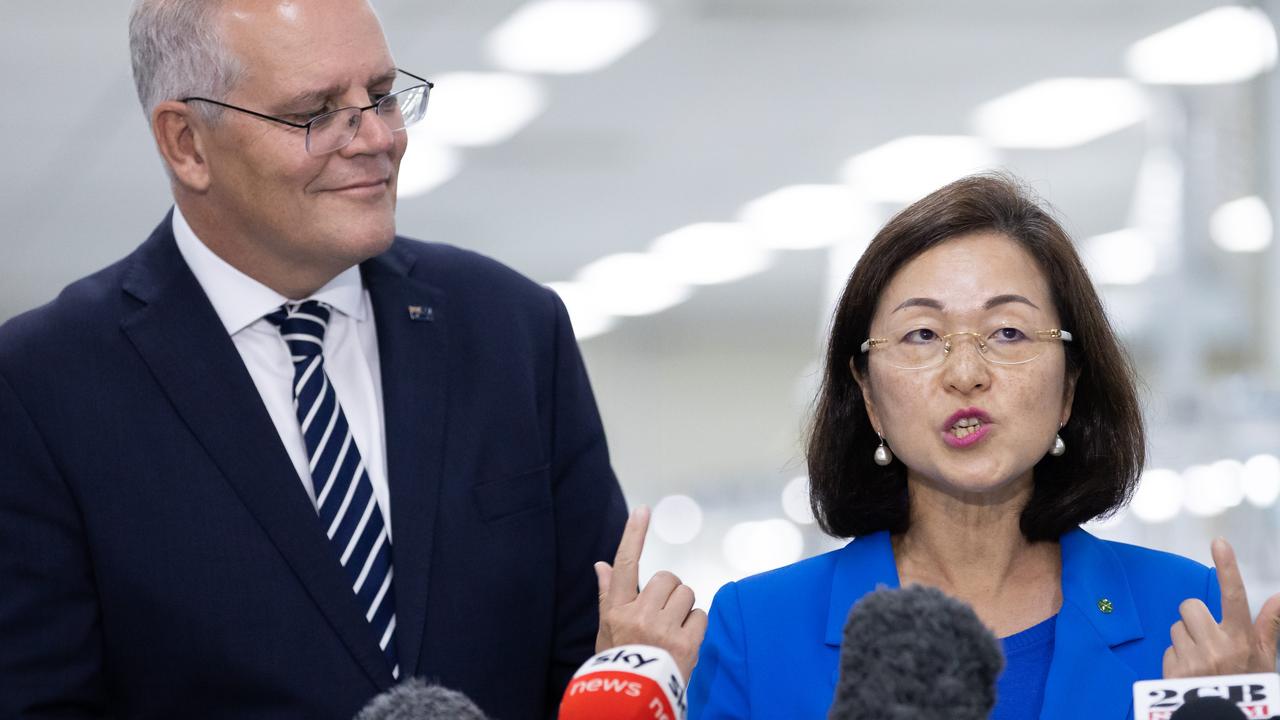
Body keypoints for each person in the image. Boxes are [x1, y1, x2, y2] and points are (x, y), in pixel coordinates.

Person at [0, 0, 702, 717]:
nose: (376, 138)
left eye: (382, 95)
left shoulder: (510, 330)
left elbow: (590, 658)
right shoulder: (43, 384)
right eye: (317, 111)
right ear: (187, 143)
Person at [687, 174, 1280, 719]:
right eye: (923, 335)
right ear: (868, 395)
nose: (966, 372)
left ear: (1069, 387)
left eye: (1008, 332)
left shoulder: (1185, 614)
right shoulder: (759, 630)